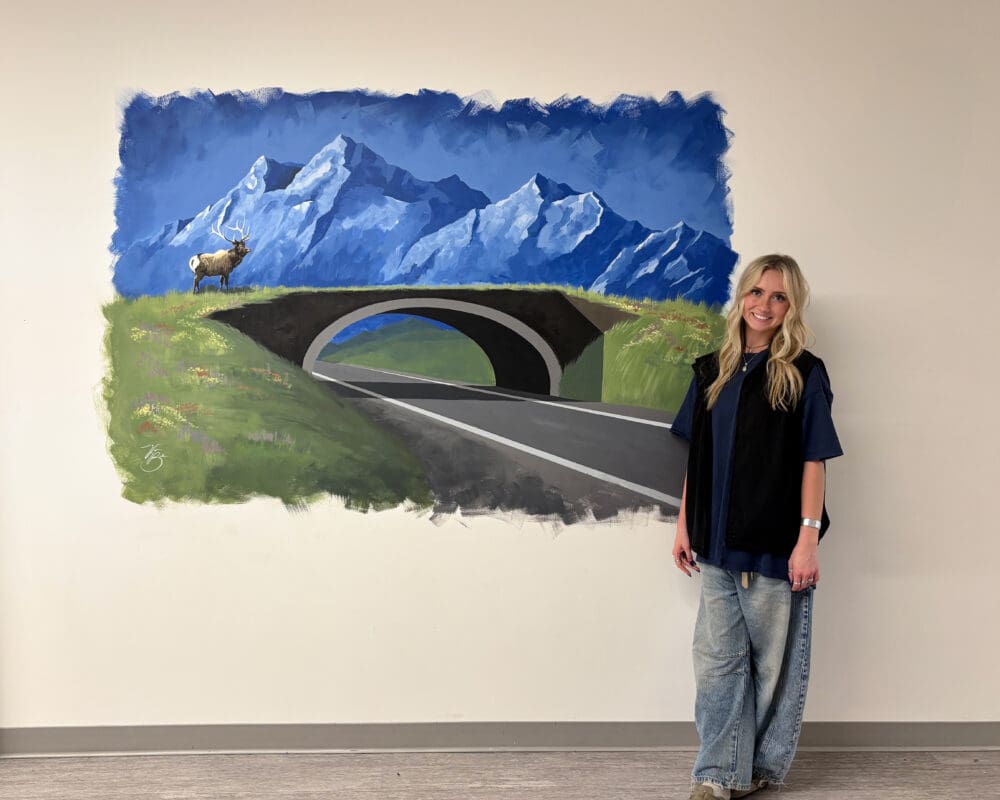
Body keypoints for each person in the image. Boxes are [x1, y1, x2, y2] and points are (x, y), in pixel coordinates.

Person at [670, 254, 843, 800]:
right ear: (741, 297)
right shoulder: (710, 370)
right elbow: (698, 458)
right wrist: (683, 526)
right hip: (715, 544)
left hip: (773, 545)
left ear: (792, 306)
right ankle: (718, 774)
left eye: (779, 297)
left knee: (772, 667)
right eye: (757, 292)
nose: (764, 305)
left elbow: (814, 460)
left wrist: (807, 538)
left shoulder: (804, 373)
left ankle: (760, 767)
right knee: (716, 662)